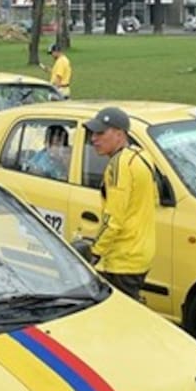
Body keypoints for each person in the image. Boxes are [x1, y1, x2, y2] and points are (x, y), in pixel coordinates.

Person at [73, 106, 156, 301]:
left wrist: (94, 252)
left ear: (119, 134)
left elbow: (113, 219)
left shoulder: (119, 165)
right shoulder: (141, 156)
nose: (94, 139)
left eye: (100, 133)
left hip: (122, 259)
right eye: (93, 133)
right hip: (141, 253)